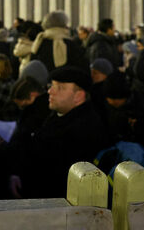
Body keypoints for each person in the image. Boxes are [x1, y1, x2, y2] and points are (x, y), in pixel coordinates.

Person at [8, 66, 108, 198]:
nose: (50, 91)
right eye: (51, 85)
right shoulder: (56, 113)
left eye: (60, 87)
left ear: (78, 96)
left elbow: (53, 175)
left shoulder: (84, 128)